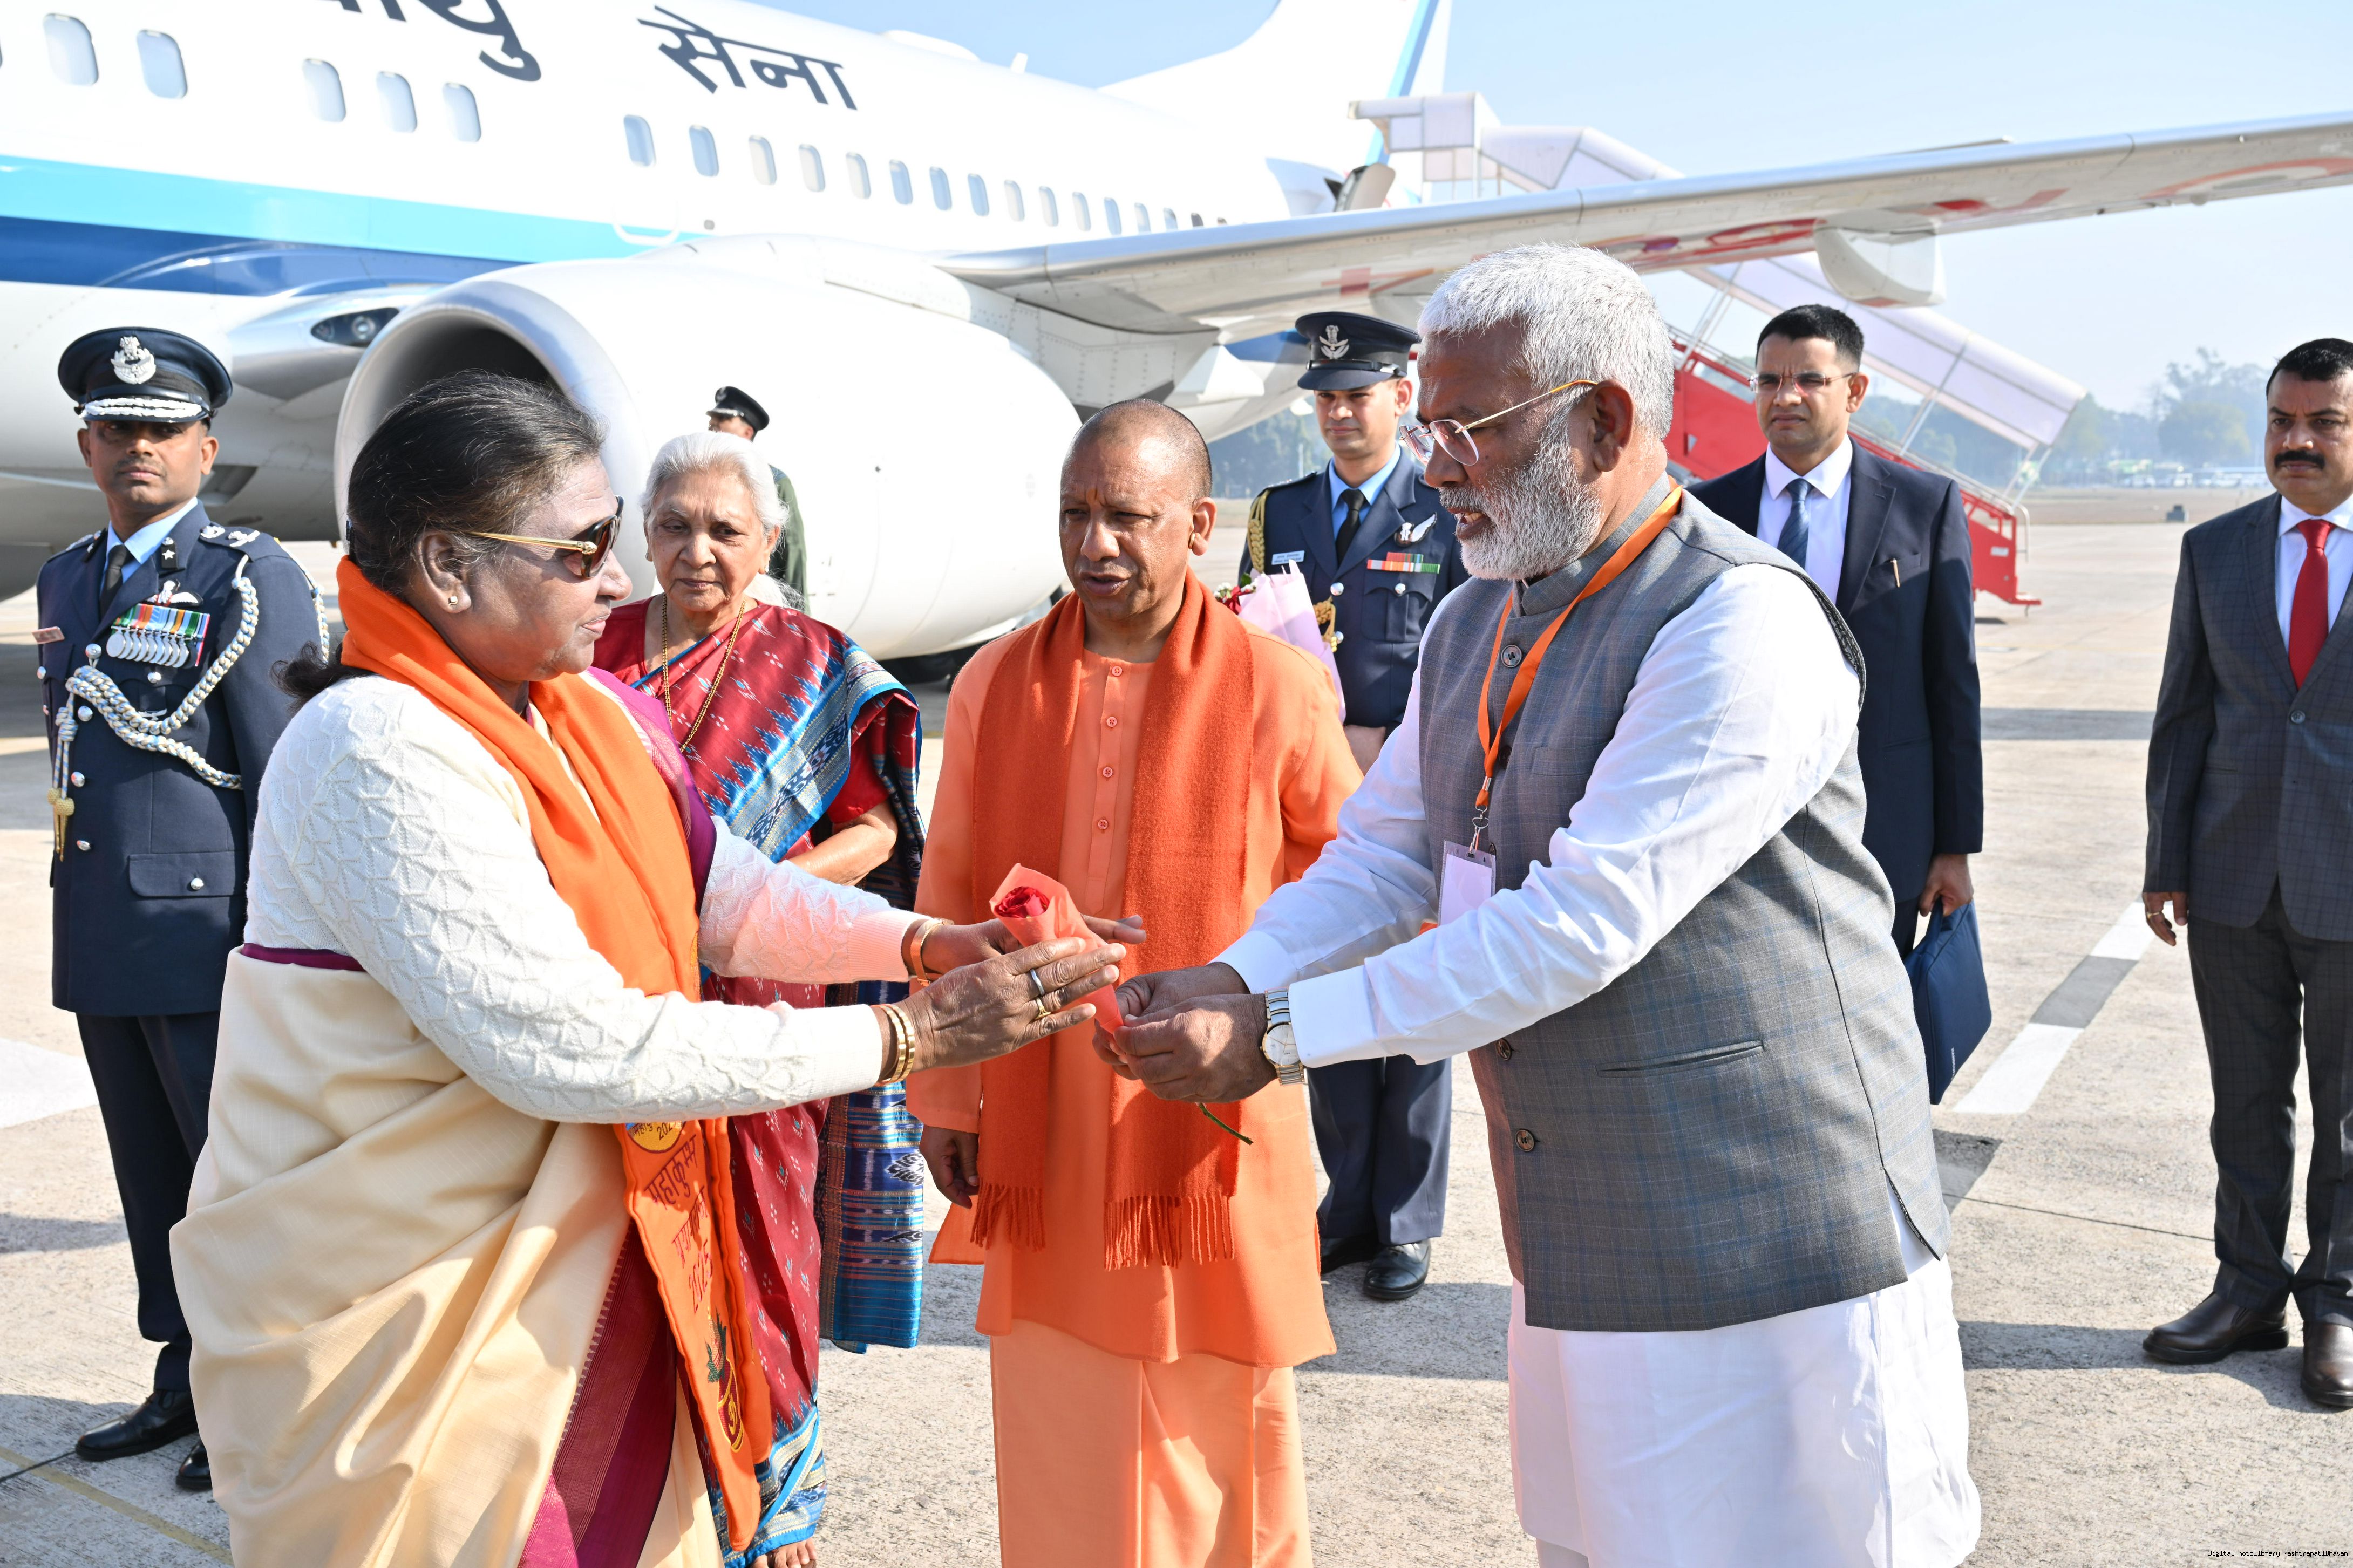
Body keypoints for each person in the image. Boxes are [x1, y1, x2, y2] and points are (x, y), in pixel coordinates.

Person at [169, 372, 1132, 1568]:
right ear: (449, 565)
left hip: (577, 1271)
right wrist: (909, 1036)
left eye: (613, 535)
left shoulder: (584, 712)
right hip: (423, 1308)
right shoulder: (375, 745)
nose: (622, 578)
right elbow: (571, 1047)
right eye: (581, 550)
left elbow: (722, 893)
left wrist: (922, 943)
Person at [1118, 245, 1978, 1568]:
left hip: (1779, 1249)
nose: (1433, 468)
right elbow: (1387, 853)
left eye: (1466, 428)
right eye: (1426, 429)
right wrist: (1235, 976)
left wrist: (1277, 1034)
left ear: (1602, 423)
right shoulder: (1477, 616)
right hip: (1585, 1236)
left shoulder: (1738, 623)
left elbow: (1580, 923)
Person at [909, 399, 1359, 1567]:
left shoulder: (1277, 687)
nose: (1094, 544)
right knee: (1065, 1413)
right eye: (1075, 514)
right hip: (1044, 1112)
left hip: (1207, 1109)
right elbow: (951, 890)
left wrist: (1258, 1010)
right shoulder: (995, 682)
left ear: (1199, 526)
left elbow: (1353, 882)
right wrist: (949, 1098)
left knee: (1220, 1408)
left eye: (1127, 517)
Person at [593, 429, 927, 1562]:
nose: (698, 550)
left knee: (765, 1248)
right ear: (642, 536)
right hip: (618, 990)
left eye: (725, 530)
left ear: (770, 539)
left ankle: (778, 1502)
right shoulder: (592, 648)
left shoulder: (813, 663)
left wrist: (752, 889)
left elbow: (876, 830)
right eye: (674, 526)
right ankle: (649, 1488)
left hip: (765, 1000)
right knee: (620, 1248)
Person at [36, 328, 323, 1494]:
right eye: (115, 428)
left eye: (161, 429)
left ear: (207, 446)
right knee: (150, 1175)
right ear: (87, 445)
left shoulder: (247, 577)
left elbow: (287, 773)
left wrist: (287, 949)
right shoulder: (67, 576)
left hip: (209, 937)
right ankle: (183, 1375)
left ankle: (262, 1393)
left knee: (230, 1181)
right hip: (102, 923)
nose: (136, 447)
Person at [1240, 309, 1468, 1302]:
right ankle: (1350, 1207)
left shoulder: (1448, 506)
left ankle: (1406, 1222)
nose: (1339, 413)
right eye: (1326, 398)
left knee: (1417, 998)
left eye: (1357, 396)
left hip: (1417, 788)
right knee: (1324, 988)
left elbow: (1475, 649)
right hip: (1311, 795)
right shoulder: (1280, 512)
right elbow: (1250, 645)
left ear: (1402, 397)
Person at [2142, 337, 2353, 1409]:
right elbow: (2184, 714)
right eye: (2281, 420)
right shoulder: (2215, 550)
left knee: (2349, 1114)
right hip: (2230, 874)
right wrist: (2164, 860)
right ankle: (2247, 1288)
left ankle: (2338, 1302)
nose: (2296, 440)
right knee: (2243, 1101)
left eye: (2324, 422)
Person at [1690, 303, 1983, 955]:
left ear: (1854, 391)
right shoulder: (1706, 511)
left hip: (1884, 831)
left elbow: (1952, 684)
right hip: (1736, 830)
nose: (1785, 397)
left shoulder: (1924, 506)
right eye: (1768, 380)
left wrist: (1954, 846)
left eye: (1809, 380)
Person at [709, 385, 810, 606]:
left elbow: (792, 554)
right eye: (712, 422)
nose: (714, 426)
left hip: (757, 606)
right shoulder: (702, 480)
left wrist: (797, 619)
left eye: (723, 421)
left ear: (747, 433)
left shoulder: (775, 482)